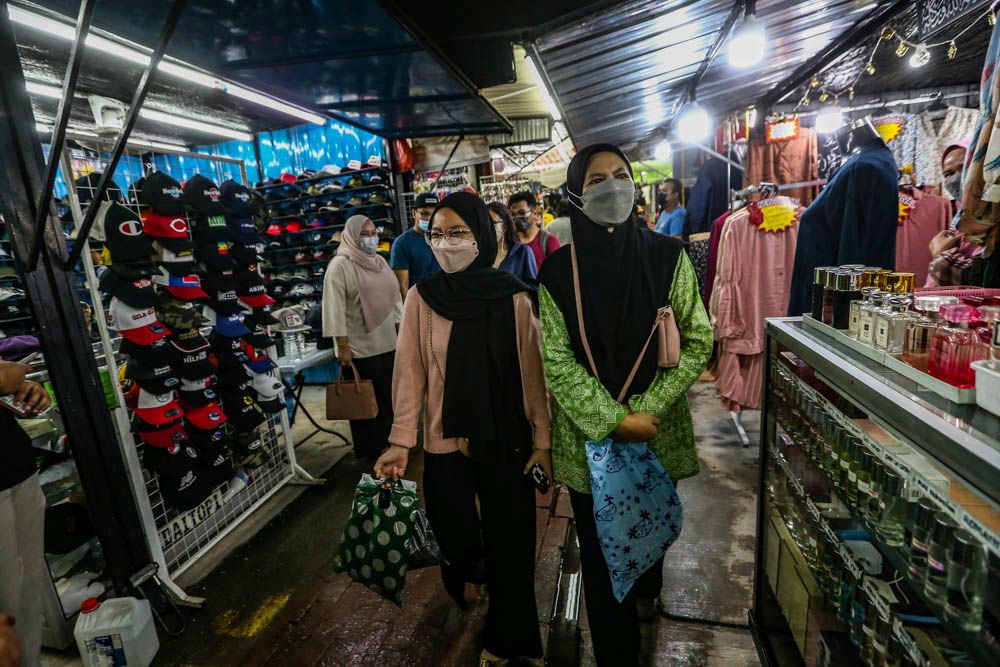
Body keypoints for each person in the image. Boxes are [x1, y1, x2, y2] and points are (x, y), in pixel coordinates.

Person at [537, 144, 712, 666]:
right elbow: (557, 360)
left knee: (649, 533)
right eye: (595, 179)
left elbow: (698, 338)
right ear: (575, 193)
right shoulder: (555, 273)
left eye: (620, 175)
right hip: (589, 440)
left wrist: (647, 412)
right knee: (599, 554)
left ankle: (646, 591)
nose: (611, 186)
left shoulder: (667, 256)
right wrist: (614, 421)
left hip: (655, 430)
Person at [375, 192, 551, 666]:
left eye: (458, 233)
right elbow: (410, 372)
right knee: (454, 534)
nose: (446, 243)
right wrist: (399, 442)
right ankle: (477, 574)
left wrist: (543, 440)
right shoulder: (422, 298)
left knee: (511, 542)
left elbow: (532, 375)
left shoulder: (512, 297)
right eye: (437, 233)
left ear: (482, 236)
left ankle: (508, 636)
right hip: (443, 439)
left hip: (505, 439)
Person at [323, 215, 403, 460]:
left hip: (388, 343)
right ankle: (372, 450)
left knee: (389, 398)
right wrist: (342, 345)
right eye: (364, 234)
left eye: (373, 231)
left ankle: (394, 444)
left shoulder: (379, 261)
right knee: (366, 403)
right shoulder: (340, 266)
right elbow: (333, 308)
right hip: (359, 348)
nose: (371, 238)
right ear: (352, 236)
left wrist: (402, 330)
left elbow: (394, 297)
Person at [0, 360, 52, 667]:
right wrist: (10, 377)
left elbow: (11, 378)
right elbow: (8, 372)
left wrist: (22, 390)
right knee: (6, 602)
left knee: (30, 592)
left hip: (15, 466)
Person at [926, 139, 985, 287]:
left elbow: (982, 280)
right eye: (949, 174)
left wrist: (941, 256)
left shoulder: (992, 219)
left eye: (965, 167)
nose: (957, 178)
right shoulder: (958, 220)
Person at [390, 192, 441, 300]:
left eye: (434, 214)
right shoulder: (402, 244)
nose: (429, 219)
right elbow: (402, 285)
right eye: (424, 213)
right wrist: (408, 312)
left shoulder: (442, 238)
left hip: (444, 300)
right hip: (419, 302)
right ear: (414, 213)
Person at [487, 202, 538, 285]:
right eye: (485, 224)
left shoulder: (523, 252)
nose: (488, 228)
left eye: (493, 223)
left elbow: (534, 287)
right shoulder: (480, 254)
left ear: (505, 226)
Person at [508, 191, 560, 270]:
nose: (517, 217)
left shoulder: (549, 241)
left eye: (522, 213)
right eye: (513, 214)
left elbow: (559, 274)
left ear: (534, 213)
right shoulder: (510, 242)